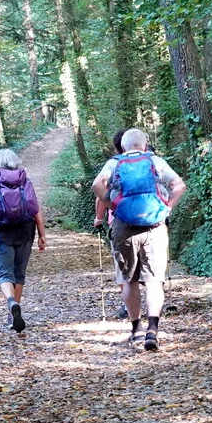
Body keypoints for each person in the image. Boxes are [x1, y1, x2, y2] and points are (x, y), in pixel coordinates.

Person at [92, 128, 186, 351]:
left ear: (123, 147)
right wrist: (166, 207)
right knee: (154, 280)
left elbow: (97, 185)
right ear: (144, 145)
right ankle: (153, 330)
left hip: (124, 225)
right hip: (155, 225)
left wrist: (113, 206)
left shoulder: (114, 163)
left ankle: (136, 330)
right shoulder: (155, 161)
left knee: (128, 279)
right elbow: (179, 186)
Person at [0, 148, 47, 333]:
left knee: (4, 274)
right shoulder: (24, 180)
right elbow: (36, 209)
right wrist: (42, 234)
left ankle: (11, 303)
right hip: (25, 231)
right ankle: (13, 312)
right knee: (19, 274)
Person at [95, 130, 130, 320]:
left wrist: (100, 217)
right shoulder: (150, 161)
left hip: (119, 221)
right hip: (150, 220)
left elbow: (99, 191)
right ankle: (152, 308)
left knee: (122, 267)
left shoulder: (113, 164)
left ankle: (128, 306)